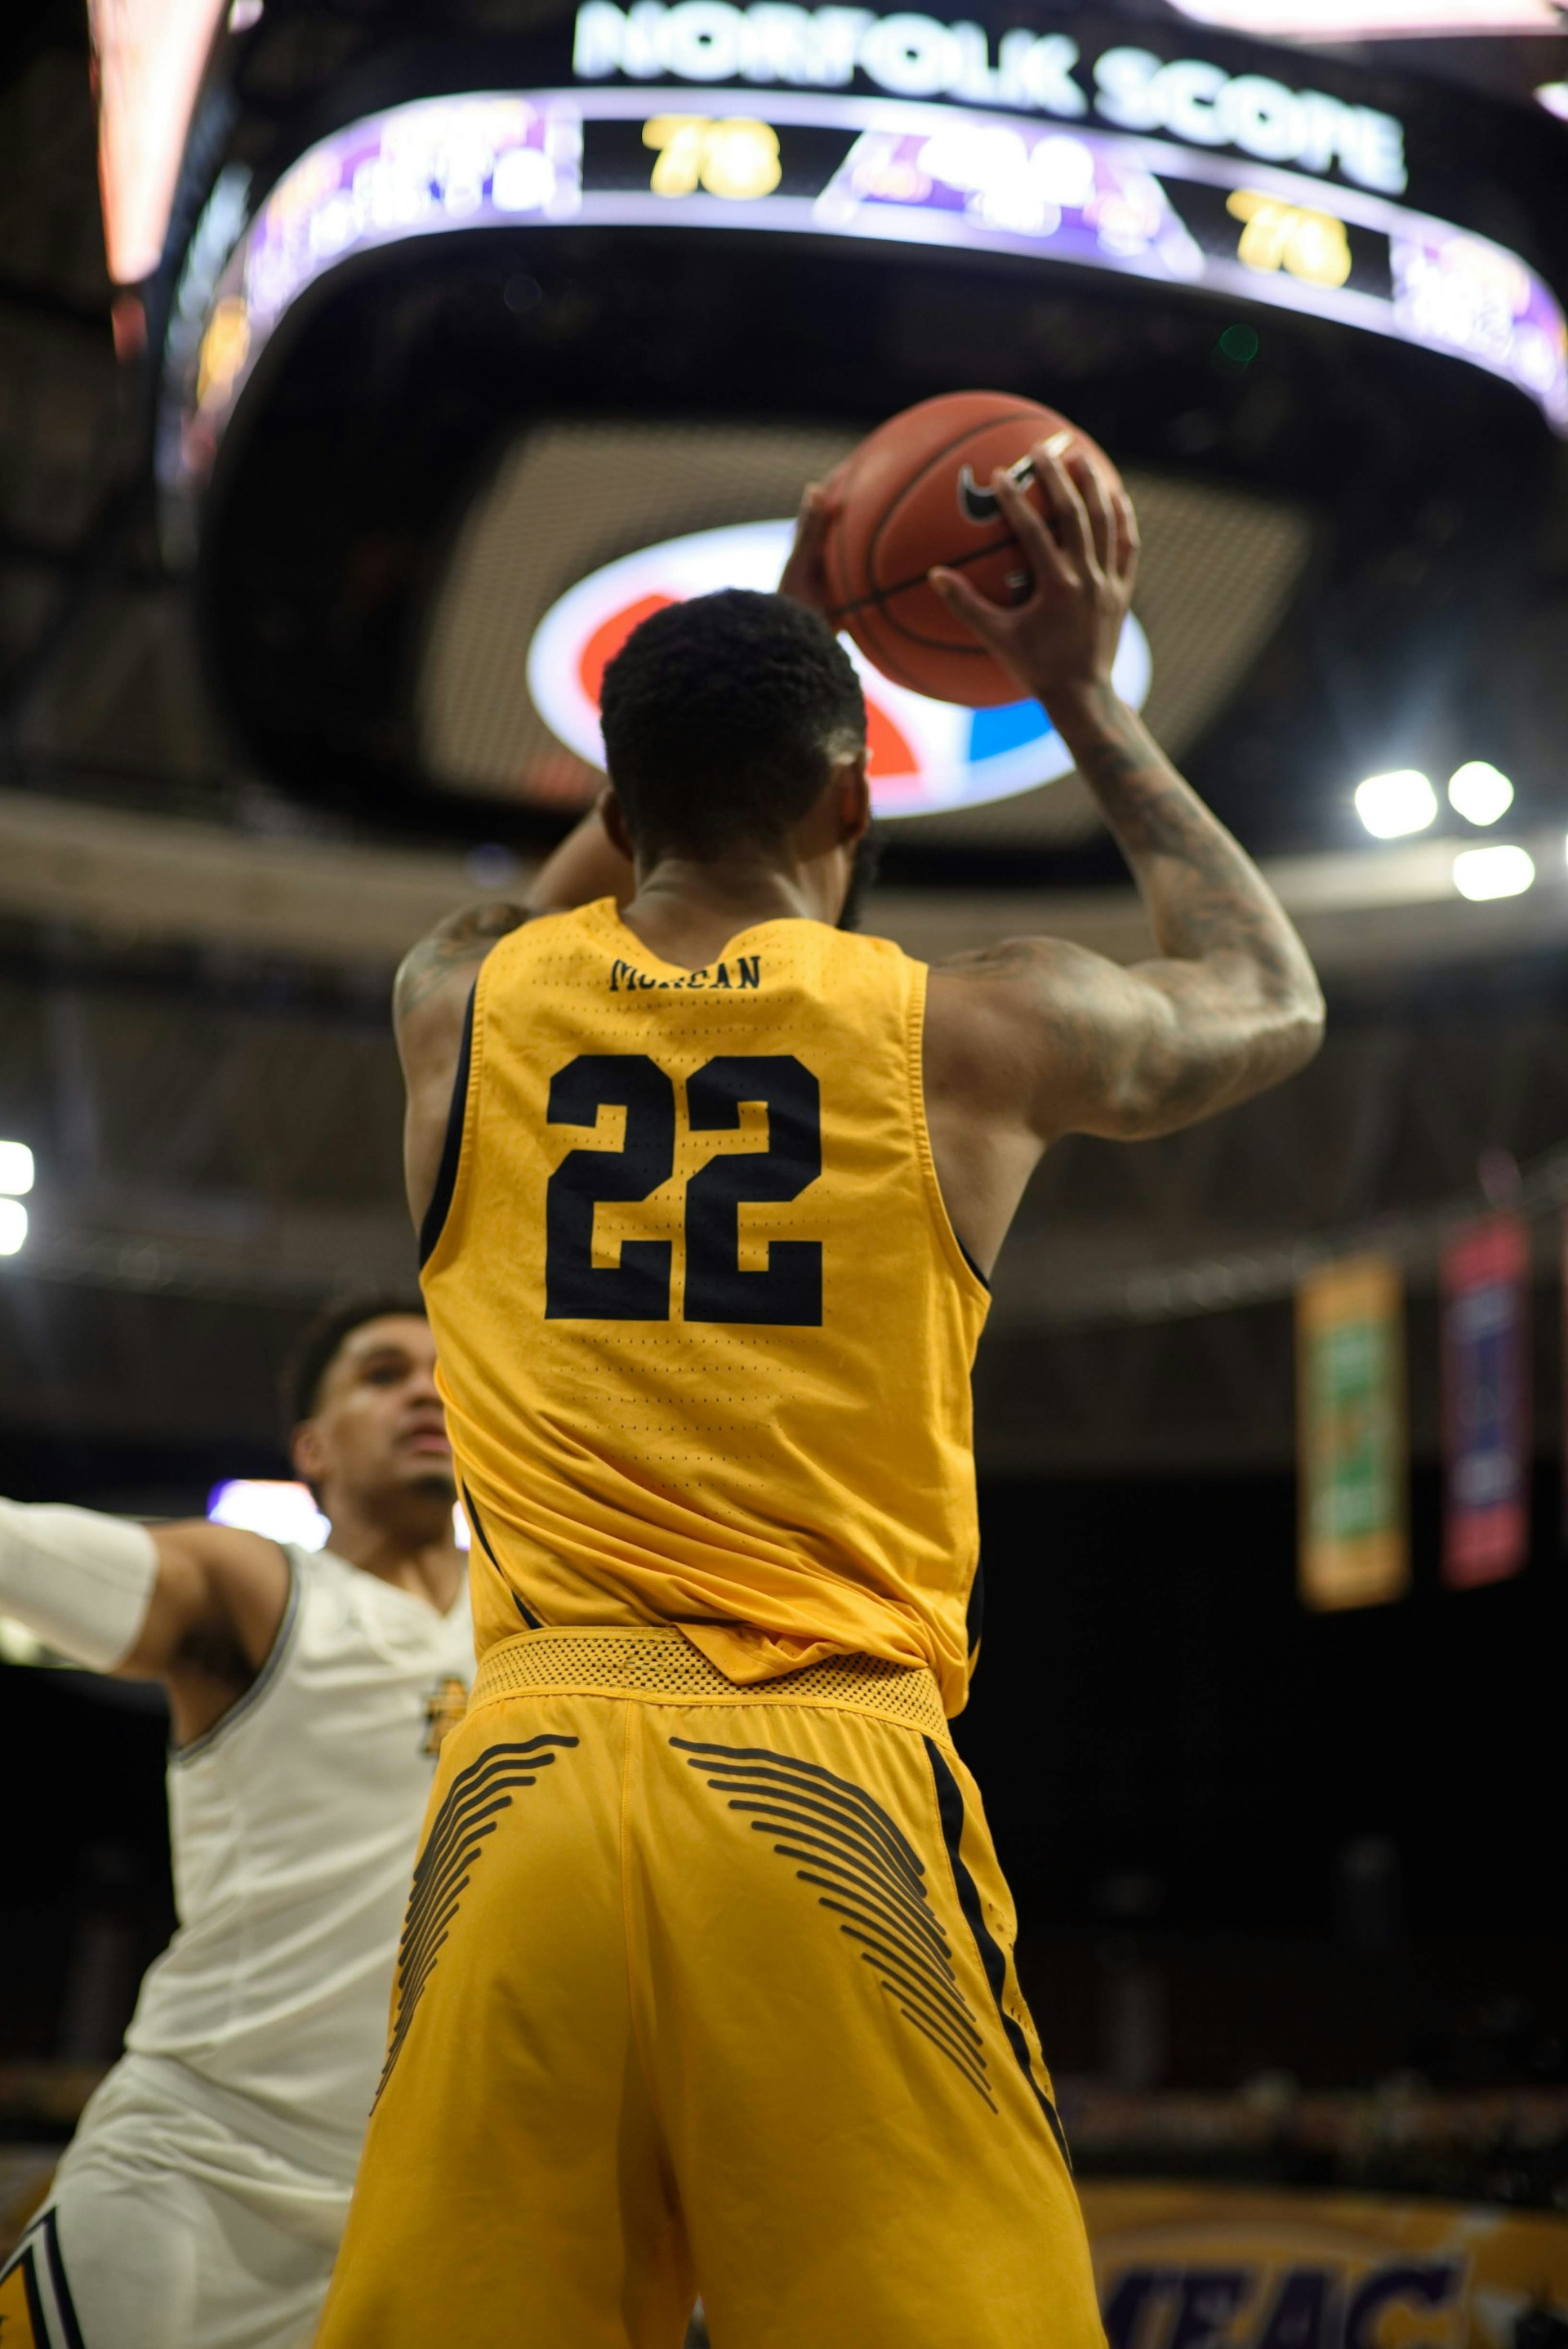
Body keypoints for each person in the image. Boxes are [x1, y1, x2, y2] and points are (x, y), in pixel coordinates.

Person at [318, 441, 1325, 2349]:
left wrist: (777, 629)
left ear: (612, 801)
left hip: (521, 1777)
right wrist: (1078, 690)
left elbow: (576, 892)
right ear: (855, 787)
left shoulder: (460, 1002)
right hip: (819, 1779)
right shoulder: (975, 1025)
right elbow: (1266, 991)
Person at [0, 1302, 474, 2349]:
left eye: (445, 1369)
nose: (424, 1390)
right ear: (313, 1447)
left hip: (435, 2202)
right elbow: (24, 1551)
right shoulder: (259, 1584)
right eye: (383, 1372)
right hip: (204, 2167)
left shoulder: (544, 1624)